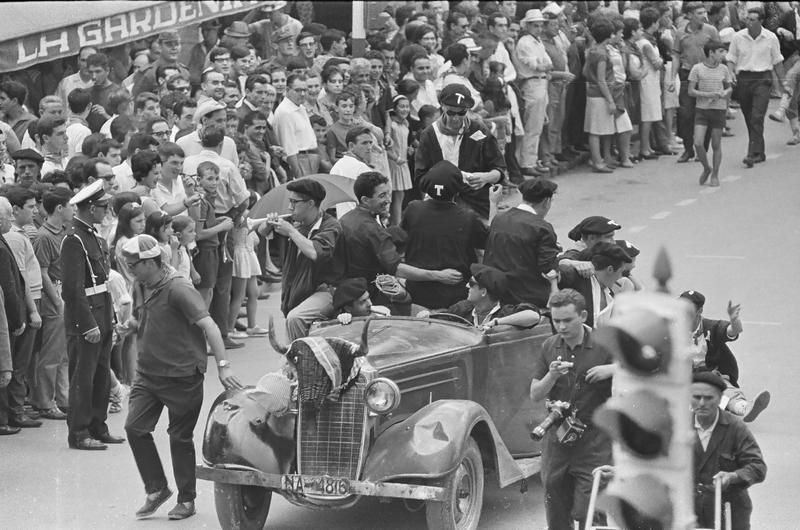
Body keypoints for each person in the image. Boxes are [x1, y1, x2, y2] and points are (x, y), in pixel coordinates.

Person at [119, 234, 242, 520]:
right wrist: (130, 326)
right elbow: (142, 318)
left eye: (133, 264)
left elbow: (209, 325)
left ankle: (187, 499)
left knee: (179, 437)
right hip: (148, 374)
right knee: (135, 428)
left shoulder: (178, 289)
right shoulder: (140, 283)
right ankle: (157, 489)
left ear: (151, 262)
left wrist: (224, 365)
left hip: (182, 376)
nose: (129, 269)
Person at [529, 288, 614, 530]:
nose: (561, 327)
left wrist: (612, 370)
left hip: (594, 442)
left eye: (567, 320)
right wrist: (552, 375)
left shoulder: (605, 344)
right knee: (556, 508)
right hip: (557, 441)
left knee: (591, 510)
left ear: (584, 315)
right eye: (556, 321)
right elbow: (535, 393)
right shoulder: (549, 346)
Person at [337, 171, 462, 312]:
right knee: (420, 311)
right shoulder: (372, 230)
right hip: (370, 296)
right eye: (382, 196)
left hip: (345, 292)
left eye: (388, 194)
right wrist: (439, 276)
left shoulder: (345, 219)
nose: (389, 200)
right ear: (365, 200)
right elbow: (397, 268)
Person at [60, 180, 124, 450]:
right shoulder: (74, 239)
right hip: (85, 318)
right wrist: (87, 324)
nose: (106, 211)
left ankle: (98, 426)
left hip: (102, 312)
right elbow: (73, 290)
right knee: (82, 379)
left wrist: (110, 319)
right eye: (102, 206)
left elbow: (104, 282)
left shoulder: (92, 237)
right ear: (88, 207)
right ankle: (79, 432)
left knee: (99, 377)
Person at [401, 160, 493, 309]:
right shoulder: (468, 217)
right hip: (455, 296)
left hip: (418, 292)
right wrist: (493, 204)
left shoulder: (413, 209)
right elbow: (488, 242)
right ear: (457, 191)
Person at [263, 178, 342, 341]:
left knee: (295, 318)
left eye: (294, 202)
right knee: (292, 317)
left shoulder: (331, 226)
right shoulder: (297, 221)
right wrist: (267, 224)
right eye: (289, 201)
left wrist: (291, 231)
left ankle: (299, 361)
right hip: (300, 289)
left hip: (326, 290)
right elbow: (262, 232)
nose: (289, 207)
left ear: (311, 203)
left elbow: (316, 252)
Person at [414, 83, 505, 221]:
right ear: (442, 107)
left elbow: (499, 168)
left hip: (476, 205)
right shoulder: (429, 134)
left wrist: (485, 177)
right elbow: (420, 176)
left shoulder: (479, 130)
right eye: (450, 112)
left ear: (468, 110)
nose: (456, 118)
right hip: (440, 205)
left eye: (461, 113)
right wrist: (442, 182)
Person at [691, 371, 767, 530]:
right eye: (697, 397)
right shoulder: (677, 425)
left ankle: (742, 406)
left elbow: (757, 467)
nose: (702, 403)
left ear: (720, 399)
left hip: (728, 510)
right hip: (689, 510)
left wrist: (733, 476)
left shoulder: (735, 428)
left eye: (709, 398)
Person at [680, 290, 770, 423]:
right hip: (683, 376)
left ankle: (743, 408)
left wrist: (734, 320)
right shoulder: (672, 327)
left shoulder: (710, 327)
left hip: (711, 374)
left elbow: (733, 331)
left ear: (699, 310)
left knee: (724, 390)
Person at [484, 178, 559, 308]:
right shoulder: (542, 227)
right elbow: (547, 268)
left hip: (495, 292)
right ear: (546, 201)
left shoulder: (499, 218)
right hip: (528, 296)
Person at [31, 187, 73, 420]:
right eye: (70, 205)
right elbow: (43, 272)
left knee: (63, 354)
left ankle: (63, 397)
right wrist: (57, 302)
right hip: (53, 296)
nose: (73, 209)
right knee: (50, 354)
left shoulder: (64, 231)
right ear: (59, 208)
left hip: (64, 292)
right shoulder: (44, 237)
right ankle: (44, 401)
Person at [726, 7, 784, 168]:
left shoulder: (770, 37)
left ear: (761, 21)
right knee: (749, 116)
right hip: (744, 78)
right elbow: (731, 57)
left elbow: (777, 60)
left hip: (762, 79)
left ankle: (752, 153)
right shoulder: (738, 37)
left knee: (757, 116)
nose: (748, 22)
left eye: (752, 20)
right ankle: (760, 151)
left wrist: (783, 82)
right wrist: (730, 73)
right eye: (747, 19)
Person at [419, 263, 541, 330]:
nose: (467, 286)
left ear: (483, 292)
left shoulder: (505, 312)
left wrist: (496, 323)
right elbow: (443, 318)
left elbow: (533, 316)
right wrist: (427, 315)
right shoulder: (462, 308)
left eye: (472, 284)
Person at [673, 2, 720, 163]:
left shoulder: (711, 31)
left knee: (705, 113)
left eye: (703, 12)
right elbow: (676, 56)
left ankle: (702, 148)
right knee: (685, 115)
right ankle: (688, 149)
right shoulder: (680, 33)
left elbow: (719, 52)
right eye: (699, 13)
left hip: (707, 74)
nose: (703, 16)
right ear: (689, 15)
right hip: (687, 74)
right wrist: (673, 77)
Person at [558, 241, 632, 329]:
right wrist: (569, 262)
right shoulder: (579, 278)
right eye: (620, 272)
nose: (620, 277)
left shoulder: (610, 294)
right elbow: (550, 271)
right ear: (610, 269)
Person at [689, 41, 733, 187]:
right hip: (702, 109)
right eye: (720, 51)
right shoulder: (697, 69)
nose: (723, 55)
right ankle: (706, 167)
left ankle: (715, 173)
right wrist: (708, 94)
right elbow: (691, 91)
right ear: (711, 53)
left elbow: (729, 88)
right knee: (698, 142)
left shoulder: (724, 69)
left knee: (716, 143)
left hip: (718, 110)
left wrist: (723, 93)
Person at [515, 9, 553, 176]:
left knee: (538, 125)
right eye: (535, 25)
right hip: (532, 83)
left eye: (540, 25)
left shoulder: (537, 41)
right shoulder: (525, 42)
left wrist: (543, 64)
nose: (539, 28)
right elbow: (538, 65)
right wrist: (542, 64)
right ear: (528, 26)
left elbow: (548, 63)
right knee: (532, 125)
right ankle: (526, 162)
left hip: (541, 82)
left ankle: (532, 159)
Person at [272, 73, 318, 179]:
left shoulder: (301, 107)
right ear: (288, 90)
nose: (302, 94)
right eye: (297, 90)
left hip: (310, 158)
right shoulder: (285, 112)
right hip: (300, 161)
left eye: (305, 90)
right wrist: (298, 176)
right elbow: (289, 149)